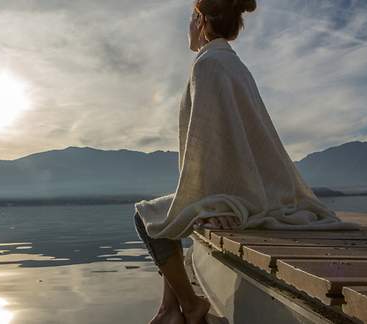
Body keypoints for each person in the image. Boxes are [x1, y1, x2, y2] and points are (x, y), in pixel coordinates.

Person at [133, 0, 257, 323]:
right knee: (170, 214)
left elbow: (209, 148)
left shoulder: (208, 66)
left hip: (224, 196)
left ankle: (190, 304)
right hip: (242, 190)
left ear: (201, 21)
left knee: (144, 216)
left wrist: (217, 203)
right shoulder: (232, 65)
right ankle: (169, 308)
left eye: (190, 18)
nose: (186, 26)